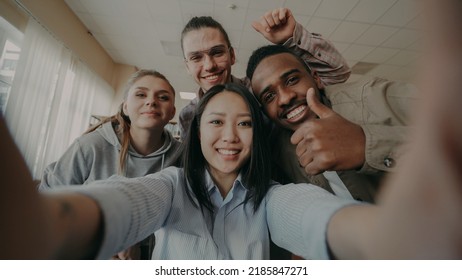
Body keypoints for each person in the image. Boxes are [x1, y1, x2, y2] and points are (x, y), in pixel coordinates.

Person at [2, 0, 462, 260]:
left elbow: (307, 211)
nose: (229, 137)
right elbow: (139, 198)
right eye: (215, 123)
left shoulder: (266, 117)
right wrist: (61, 225)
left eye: (245, 122)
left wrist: (376, 239)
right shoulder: (173, 175)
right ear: (194, 130)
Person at [38, 69, 182, 259]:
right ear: (125, 107)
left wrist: (133, 239)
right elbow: (44, 205)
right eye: (140, 94)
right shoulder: (90, 146)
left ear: (172, 112)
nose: (151, 101)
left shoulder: (182, 155)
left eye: (163, 97)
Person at [246, 44, 418, 203]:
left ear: (316, 78)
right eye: (269, 96)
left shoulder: (375, 97)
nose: (285, 98)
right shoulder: (279, 153)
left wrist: (365, 145)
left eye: (292, 80)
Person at [178, 7, 351, 140]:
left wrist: (291, 39)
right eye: (196, 58)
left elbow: (338, 74)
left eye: (217, 53)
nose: (209, 65)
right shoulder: (187, 116)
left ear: (232, 56)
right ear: (187, 66)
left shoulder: (261, 90)